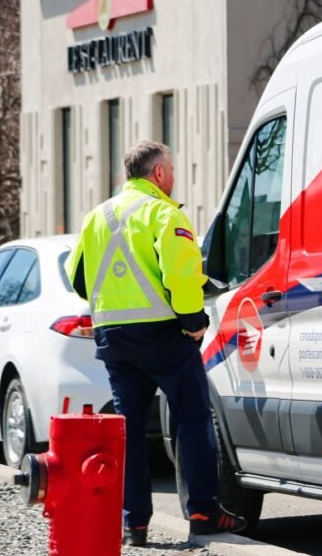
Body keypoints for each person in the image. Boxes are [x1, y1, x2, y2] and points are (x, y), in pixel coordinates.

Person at [65, 141, 245, 546]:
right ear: (159, 173)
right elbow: (181, 275)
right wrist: (194, 321)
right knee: (192, 419)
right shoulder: (163, 213)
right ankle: (203, 512)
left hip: (114, 338)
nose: (174, 177)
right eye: (172, 170)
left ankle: (135, 525)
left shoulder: (96, 217)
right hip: (164, 335)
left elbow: (77, 278)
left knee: (128, 430)